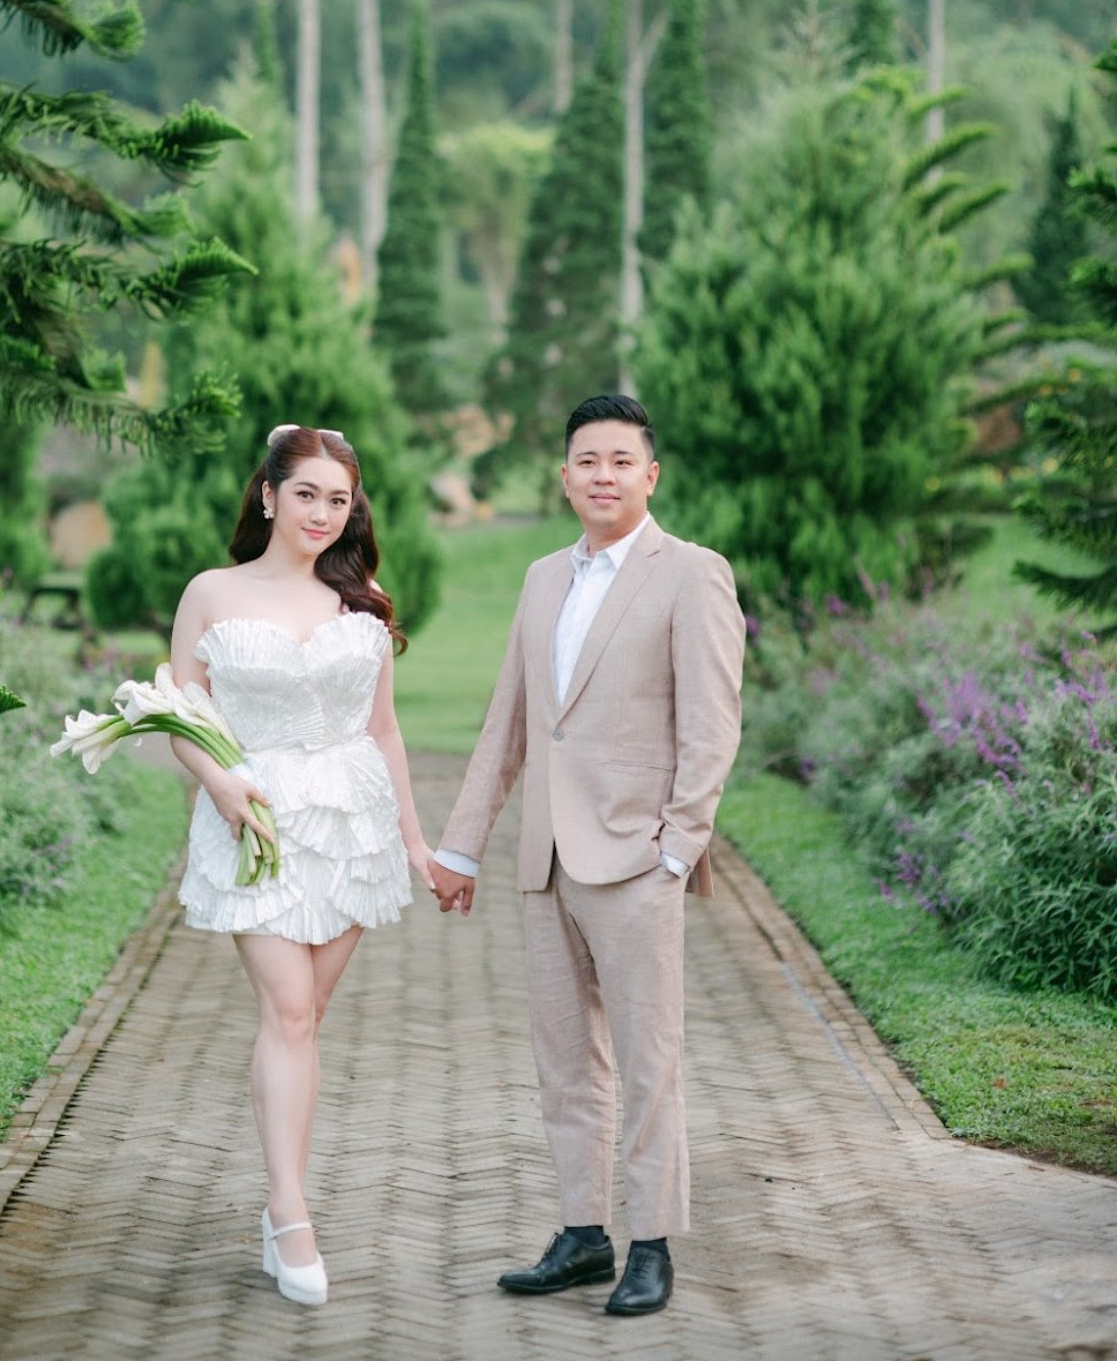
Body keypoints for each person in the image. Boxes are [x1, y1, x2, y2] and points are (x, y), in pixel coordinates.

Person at [431, 394, 745, 1318]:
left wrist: (677, 849)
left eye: (620, 460)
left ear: (651, 475)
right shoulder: (541, 580)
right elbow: (511, 722)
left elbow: (713, 725)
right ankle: (583, 1234)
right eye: (586, 460)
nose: (602, 475)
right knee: (567, 1061)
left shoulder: (691, 574)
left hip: (639, 861)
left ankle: (651, 1243)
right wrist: (462, 846)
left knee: (649, 1063)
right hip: (547, 861)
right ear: (564, 476)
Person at [168, 424, 435, 1308]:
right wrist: (220, 783)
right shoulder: (211, 593)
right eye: (307, 494)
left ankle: (279, 1201)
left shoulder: (363, 599)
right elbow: (180, 717)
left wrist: (413, 842)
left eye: (339, 500)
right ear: (269, 495)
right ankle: (290, 1213)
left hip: (352, 825)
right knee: (287, 1009)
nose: (322, 513)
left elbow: (383, 729)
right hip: (258, 820)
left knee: (306, 1015)